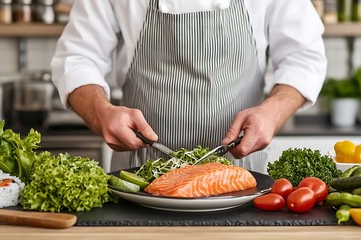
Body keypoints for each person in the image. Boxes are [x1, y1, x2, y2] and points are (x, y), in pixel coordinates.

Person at [51, 0, 327, 170]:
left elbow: (303, 55)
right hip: (141, 175)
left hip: (242, 176)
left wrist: (273, 112)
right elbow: (78, 57)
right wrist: (101, 112)